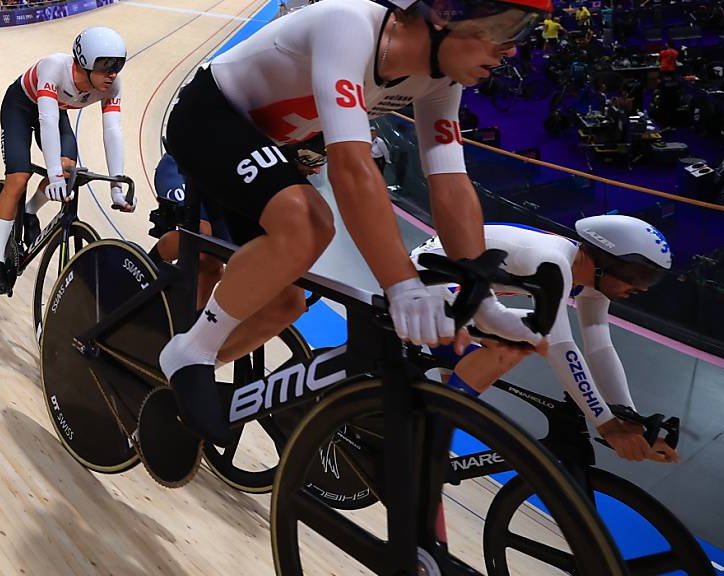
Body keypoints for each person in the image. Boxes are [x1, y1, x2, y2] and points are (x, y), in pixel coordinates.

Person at [160, 0, 553, 444]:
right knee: (310, 223)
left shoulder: (440, 80)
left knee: (283, 304)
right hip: (209, 116)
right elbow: (350, 166)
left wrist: (481, 299)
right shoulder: (348, 23)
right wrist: (402, 286)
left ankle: (187, 368)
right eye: (505, 27)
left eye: (522, 32)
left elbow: (450, 182)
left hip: (265, 144)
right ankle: (190, 352)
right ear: (444, 12)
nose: (512, 50)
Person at [412, 217, 680, 464]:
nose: (643, 287)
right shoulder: (555, 262)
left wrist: (626, 416)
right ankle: (431, 429)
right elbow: (560, 346)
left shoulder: (588, 278)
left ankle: (430, 426)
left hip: (452, 287)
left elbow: (600, 348)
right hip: (426, 283)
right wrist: (607, 426)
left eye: (651, 279)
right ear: (607, 261)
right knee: (523, 340)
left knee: (513, 338)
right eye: (638, 275)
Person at [0, 27, 134, 295]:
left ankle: (29, 211)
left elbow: (113, 130)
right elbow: (47, 120)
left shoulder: (113, 84)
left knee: (68, 170)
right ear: (83, 62)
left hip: (56, 110)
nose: (112, 72)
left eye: (118, 64)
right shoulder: (54, 67)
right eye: (105, 65)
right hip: (21, 106)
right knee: (19, 179)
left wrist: (117, 186)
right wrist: (51, 173)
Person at [151, 151, 224, 311]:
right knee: (201, 236)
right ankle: (144, 272)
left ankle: (186, 324)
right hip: (181, 167)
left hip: (216, 184)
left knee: (215, 264)